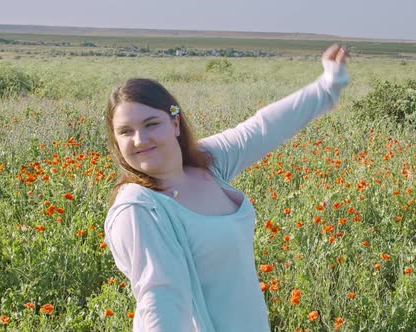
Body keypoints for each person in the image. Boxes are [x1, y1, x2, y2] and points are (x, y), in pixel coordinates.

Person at [104, 44, 349, 332]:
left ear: (175, 124)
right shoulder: (140, 208)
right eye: (125, 131)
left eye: (151, 123)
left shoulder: (207, 163)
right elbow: (159, 300)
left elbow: (262, 128)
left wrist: (327, 86)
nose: (139, 139)